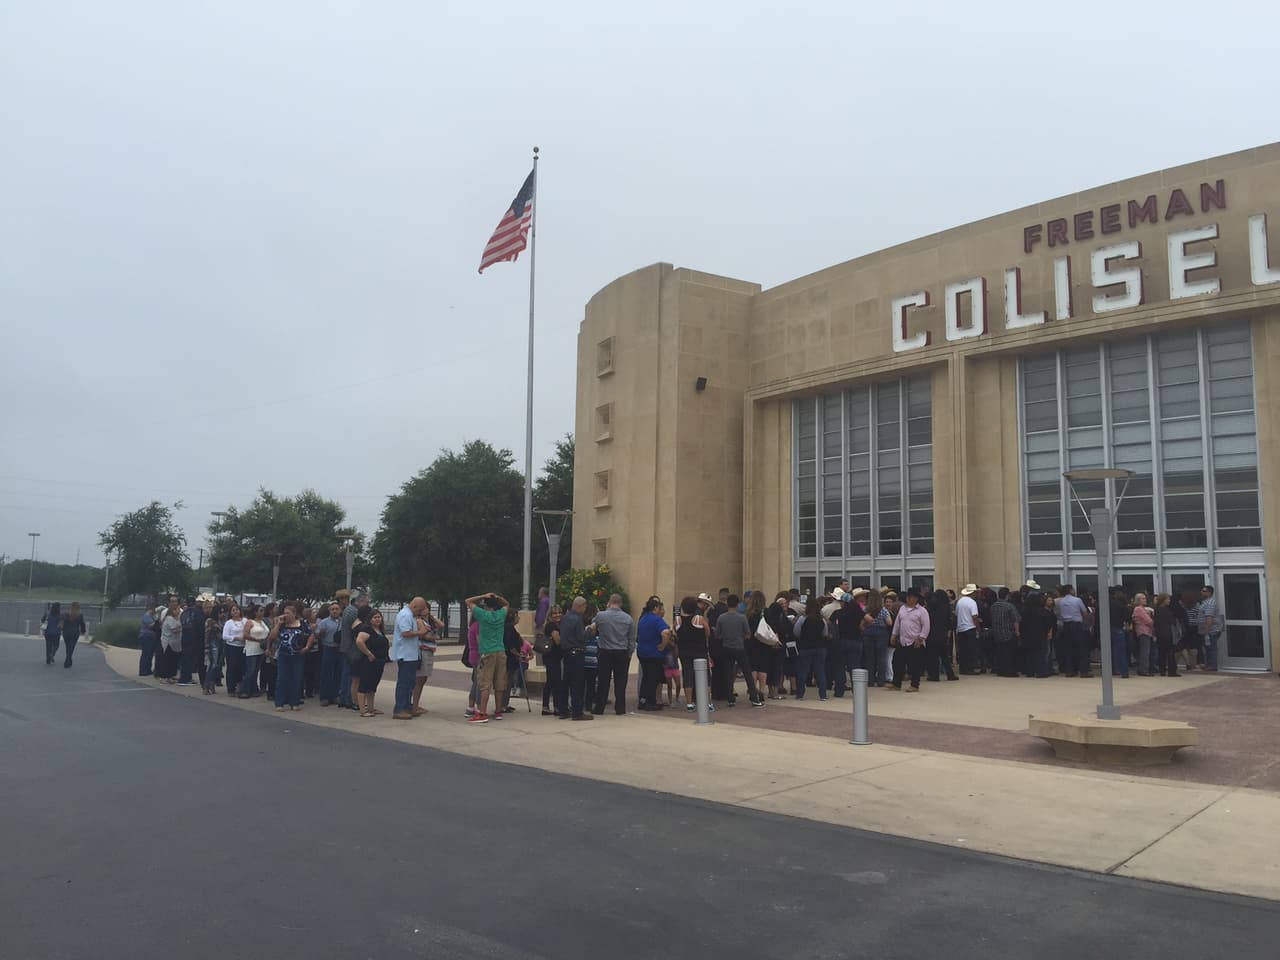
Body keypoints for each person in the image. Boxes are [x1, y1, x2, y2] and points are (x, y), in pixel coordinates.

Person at [464, 592, 509, 724]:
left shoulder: (482, 615)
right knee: (499, 683)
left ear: (485, 606)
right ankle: (498, 711)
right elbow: (507, 604)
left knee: (484, 684)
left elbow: (468, 600)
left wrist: (483, 595)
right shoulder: (501, 614)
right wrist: (497, 597)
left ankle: (482, 713)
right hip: (500, 651)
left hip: (487, 652)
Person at [715, 593, 763, 707]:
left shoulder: (721, 618)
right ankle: (754, 698)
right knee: (747, 673)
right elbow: (748, 634)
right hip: (739, 647)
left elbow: (717, 635)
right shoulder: (742, 618)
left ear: (727, 604)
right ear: (737, 605)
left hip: (726, 647)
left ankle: (730, 698)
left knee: (728, 673)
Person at [591, 593, 635, 715]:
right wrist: (630, 652)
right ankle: (620, 708)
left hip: (605, 651)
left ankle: (600, 707)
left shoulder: (601, 616)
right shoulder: (628, 618)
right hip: (621, 652)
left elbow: (593, 626)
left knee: (603, 680)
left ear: (609, 602)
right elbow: (632, 638)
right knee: (620, 681)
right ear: (620, 603)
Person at [389, 597, 428, 720]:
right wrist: (421, 632)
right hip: (405, 655)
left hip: (411, 654)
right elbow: (405, 633)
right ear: (415, 606)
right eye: (420, 609)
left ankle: (407, 706)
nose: (421, 612)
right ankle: (399, 708)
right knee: (404, 683)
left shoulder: (411, 615)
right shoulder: (405, 615)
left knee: (411, 682)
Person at [269, 603, 312, 711]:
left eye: (288, 613)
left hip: (297, 655)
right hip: (284, 654)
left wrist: (307, 647)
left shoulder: (302, 624)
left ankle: (294, 702)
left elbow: (311, 634)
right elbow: (272, 636)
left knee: (296, 678)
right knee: (282, 678)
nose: (285, 615)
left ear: (294, 614)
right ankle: (279, 702)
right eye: (284, 613)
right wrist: (278, 624)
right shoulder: (282, 624)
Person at [674, 596, 713, 711]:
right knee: (705, 676)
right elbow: (707, 633)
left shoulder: (678, 620)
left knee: (687, 675)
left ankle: (689, 703)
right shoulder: (699, 619)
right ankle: (708, 702)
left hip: (684, 651)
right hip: (699, 651)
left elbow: (675, 633)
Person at [557, 596, 592, 720]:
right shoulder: (577, 619)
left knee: (565, 682)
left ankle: (563, 710)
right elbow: (581, 637)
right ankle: (577, 712)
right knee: (577, 683)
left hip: (566, 653)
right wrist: (590, 630)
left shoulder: (565, 618)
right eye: (584, 607)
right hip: (576, 653)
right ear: (580, 606)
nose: (585, 609)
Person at [889, 589, 930, 691]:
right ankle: (896, 683)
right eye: (908, 597)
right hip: (903, 641)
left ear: (916, 599)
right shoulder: (902, 608)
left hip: (915, 642)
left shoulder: (922, 611)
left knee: (915, 665)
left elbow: (926, 626)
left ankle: (914, 685)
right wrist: (894, 635)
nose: (909, 599)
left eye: (911, 597)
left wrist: (921, 638)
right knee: (897, 662)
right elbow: (898, 623)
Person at [635, 597, 670, 712]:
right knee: (653, 679)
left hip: (642, 652)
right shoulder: (657, 620)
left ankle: (642, 700)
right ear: (655, 608)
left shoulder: (643, 619)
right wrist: (663, 645)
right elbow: (665, 632)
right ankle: (651, 702)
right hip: (654, 654)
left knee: (646, 677)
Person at [354, 609, 390, 717]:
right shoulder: (367, 629)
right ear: (370, 619)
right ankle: (362, 710)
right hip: (369, 662)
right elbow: (359, 641)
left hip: (379, 661)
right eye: (375, 617)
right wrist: (368, 654)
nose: (378, 619)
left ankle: (371, 708)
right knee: (364, 685)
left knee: (372, 686)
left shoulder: (380, 630)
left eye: (379, 617)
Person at [412, 601, 445, 717]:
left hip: (430, 651)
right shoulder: (418, 620)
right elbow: (424, 635)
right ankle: (414, 705)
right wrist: (433, 637)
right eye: (424, 608)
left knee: (423, 679)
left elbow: (441, 625)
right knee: (419, 679)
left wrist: (432, 617)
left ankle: (415, 704)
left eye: (427, 608)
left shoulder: (429, 620)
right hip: (423, 651)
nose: (426, 610)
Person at [793, 598, 829, 700]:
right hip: (820, 647)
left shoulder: (802, 619)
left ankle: (800, 694)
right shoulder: (822, 620)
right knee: (820, 671)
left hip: (805, 646)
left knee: (803, 671)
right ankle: (823, 695)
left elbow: (796, 632)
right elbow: (825, 633)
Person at [338, 593, 369, 711]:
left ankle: (344, 698)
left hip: (347, 646)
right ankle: (348, 699)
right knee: (350, 676)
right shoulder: (353, 612)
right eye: (366, 603)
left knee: (348, 674)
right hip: (350, 647)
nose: (367, 606)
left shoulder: (349, 610)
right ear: (360, 602)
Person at [744, 591, 775, 702]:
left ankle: (753, 690)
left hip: (751, 642)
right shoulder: (766, 611)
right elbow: (770, 626)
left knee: (753, 668)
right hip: (763, 642)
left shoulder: (748, 612)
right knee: (763, 668)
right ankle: (762, 691)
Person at [1054, 585, 1090, 678]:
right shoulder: (1077, 600)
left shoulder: (1061, 601)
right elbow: (1085, 612)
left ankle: (1069, 670)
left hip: (1066, 624)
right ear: (1070, 590)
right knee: (1081, 648)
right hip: (1076, 624)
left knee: (1068, 648)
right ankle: (1083, 671)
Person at [313, 601, 343, 706]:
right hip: (328, 648)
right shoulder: (324, 622)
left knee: (337, 673)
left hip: (339, 649)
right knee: (326, 673)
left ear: (340, 610)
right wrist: (320, 633)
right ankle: (324, 697)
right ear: (329, 611)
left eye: (336, 609)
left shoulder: (343, 622)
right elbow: (316, 634)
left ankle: (335, 695)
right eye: (332, 609)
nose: (335, 611)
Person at [1021, 591, 1056, 678]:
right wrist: (1048, 632)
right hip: (1040, 635)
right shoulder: (1042, 611)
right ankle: (1041, 671)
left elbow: (1022, 623)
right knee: (1040, 654)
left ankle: (1030, 671)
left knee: (1029, 653)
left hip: (1027, 635)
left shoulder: (1024, 611)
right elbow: (1048, 624)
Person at [861, 591, 892, 687]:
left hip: (868, 633)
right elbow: (889, 622)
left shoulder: (865, 610)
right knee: (881, 657)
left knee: (869, 658)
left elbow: (861, 624)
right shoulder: (883, 610)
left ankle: (870, 680)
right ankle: (881, 680)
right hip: (881, 633)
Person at [988, 588, 1021, 678]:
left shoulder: (993, 606)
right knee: (1009, 653)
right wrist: (1017, 632)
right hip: (1008, 632)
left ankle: (1000, 670)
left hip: (997, 632)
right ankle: (1009, 671)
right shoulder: (1010, 606)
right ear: (1007, 595)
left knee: (1000, 652)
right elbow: (1016, 620)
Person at [924, 588, 956, 681]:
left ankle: (934, 675)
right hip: (943, 634)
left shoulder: (930, 609)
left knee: (933, 656)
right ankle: (950, 674)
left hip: (932, 634)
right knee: (944, 655)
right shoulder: (946, 608)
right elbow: (950, 623)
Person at [238, 603, 267, 698]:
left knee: (255, 671)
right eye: (261, 611)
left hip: (261, 649)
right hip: (252, 648)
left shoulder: (263, 622)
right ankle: (243, 689)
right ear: (255, 612)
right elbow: (245, 635)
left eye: (263, 611)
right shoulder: (250, 622)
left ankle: (253, 689)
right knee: (250, 671)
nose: (262, 613)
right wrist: (256, 639)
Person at [541, 605, 565, 716]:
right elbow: (558, 641)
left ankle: (546, 706)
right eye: (554, 613)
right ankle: (556, 707)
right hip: (552, 657)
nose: (557, 615)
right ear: (550, 615)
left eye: (559, 612)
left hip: (554, 657)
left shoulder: (557, 625)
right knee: (555, 682)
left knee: (551, 681)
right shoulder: (551, 626)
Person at [955, 585, 981, 675]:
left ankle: (963, 668)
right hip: (970, 628)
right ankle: (970, 668)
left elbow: (957, 614)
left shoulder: (960, 601)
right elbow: (974, 617)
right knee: (971, 650)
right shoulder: (972, 603)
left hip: (961, 628)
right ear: (973, 593)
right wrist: (978, 628)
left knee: (963, 650)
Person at [221, 603, 246, 695]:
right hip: (232, 647)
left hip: (243, 647)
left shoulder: (245, 621)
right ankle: (231, 687)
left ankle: (240, 686)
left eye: (237, 609)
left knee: (241, 667)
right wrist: (235, 638)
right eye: (233, 610)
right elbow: (224, 636)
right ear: (231, 612)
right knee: (232, 667)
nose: (236, 612)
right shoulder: (229, 623)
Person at [1153, 594, 1180, 678]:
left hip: (1159, 633)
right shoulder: (1167, 611)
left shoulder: (1155, 610)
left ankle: (1162, 670)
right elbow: (1172, 621)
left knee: (1162, 652)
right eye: (1168, 599)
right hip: (1168, 632)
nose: (1169, 601)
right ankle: (1172, 671)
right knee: (1170, 652)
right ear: (1163, 600)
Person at [157, 598, 183, 683]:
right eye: (177, 611)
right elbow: (174, 630)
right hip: (168, 642)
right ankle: (163, 677)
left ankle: (170, 676)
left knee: (173, 660)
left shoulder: (175, 619)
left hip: (175, 643)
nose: (179, 612)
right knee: (167, 660)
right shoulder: (169, 618)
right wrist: (183, 628)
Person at [1131, 593, 1155, 676]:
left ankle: (1146, 668)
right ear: (1138, 600)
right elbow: (1148, 621)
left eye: (1145, 598)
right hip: (1143, 631)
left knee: (1146, 651)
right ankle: (1143, 669)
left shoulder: (1143, 609)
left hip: (1148, 632)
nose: (1145, 600)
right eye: (1143, 598)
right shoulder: (1138, 609)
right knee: (1145, 652)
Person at [1198, 585, 1221, 672]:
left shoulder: (1210, 603)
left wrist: (1206, 631)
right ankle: (1208, 664)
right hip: (1206, 630)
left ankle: (1212, 666)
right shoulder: (1205, 602)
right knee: (1207, 648)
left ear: (1209, 593)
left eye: (1204, 591)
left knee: (1211, 648)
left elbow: (1209, 618)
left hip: (1211, 630)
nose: (1201, 592)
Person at [202, 607, 223, 693]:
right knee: (212, 665)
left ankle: (212, 683)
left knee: (217, 665)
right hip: (212, 643)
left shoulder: (220, 621)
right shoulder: (210, 621)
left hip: (219, 643)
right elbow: (206, 634)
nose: (222, 614)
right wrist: (206, 647)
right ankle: (206, 685)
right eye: (220, 612)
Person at [138, 605, 160, 676]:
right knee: (146, 654)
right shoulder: (147, 616)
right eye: (154, 610)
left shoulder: (152, 616)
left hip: (151, 637)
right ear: (150, 609)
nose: (154, 611)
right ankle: (143, 671)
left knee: (150, 654)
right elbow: (151, 625)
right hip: (146, 636)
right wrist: (157, 621)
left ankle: (148, 670)